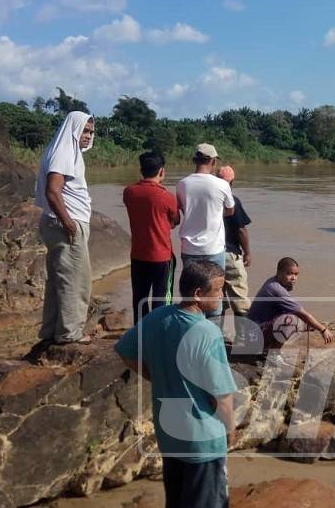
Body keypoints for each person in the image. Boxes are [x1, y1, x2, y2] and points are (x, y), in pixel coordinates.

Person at [115, 260, 236, 508]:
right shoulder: (207, 333)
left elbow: (125, 350)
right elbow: (221, 395)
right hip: (203, 439)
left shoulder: (158, 317)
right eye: (219, 290)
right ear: (198, 294)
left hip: (170, 434)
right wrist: (231, 430)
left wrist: (156, 376)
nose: (223, 296)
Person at [34, 111, 95, 345]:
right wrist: (68, 222)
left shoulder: (66, 151)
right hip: (66, 223)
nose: (88, 136)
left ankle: (51, 330)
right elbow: (53, 190)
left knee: (59, 279)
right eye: (85, 130)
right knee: (76, 279)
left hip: (60, 222)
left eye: (91, 131)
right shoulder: (63, 153)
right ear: (73, 129)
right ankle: (70, 332)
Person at [123, 150, 180, 323]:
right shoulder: (166, 196)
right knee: (161, 298)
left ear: (141, 170)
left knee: (139, 298)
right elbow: (176, 220)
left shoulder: (129, 192)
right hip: (161, 256)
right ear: (161, 171)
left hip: (138, 255)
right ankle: (159, 331)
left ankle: (139, 333)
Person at [247, 257, 334, 351]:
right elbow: (302, 313)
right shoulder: (276, 289)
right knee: (290, 320)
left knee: (296, 318)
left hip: (253, 332)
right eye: (289, 274)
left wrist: (312, 325)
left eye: (296, 274)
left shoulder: (273, 281)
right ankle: (273, 354)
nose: (293, 278)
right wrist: (323, 329)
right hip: (253, 338)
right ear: (279, 272)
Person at [176, 143, 235, 274]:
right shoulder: (223, 184)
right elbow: (230, 210)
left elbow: (183, 210)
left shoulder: (182, 184)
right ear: (213, 161)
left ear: (194, 161)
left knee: (191, 291)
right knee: (214, 291)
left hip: (189, 249)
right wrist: (215, 212)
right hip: (213, 249)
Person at [217, 165, 252, 341]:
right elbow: (241, 230)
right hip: (230, 254)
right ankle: (243, 339)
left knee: (217, 298)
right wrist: (248, 253)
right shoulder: (233, 200)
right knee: (240, 298)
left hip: (211, 254)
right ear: (232, 182)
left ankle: (217, 336)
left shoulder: (211, 199)